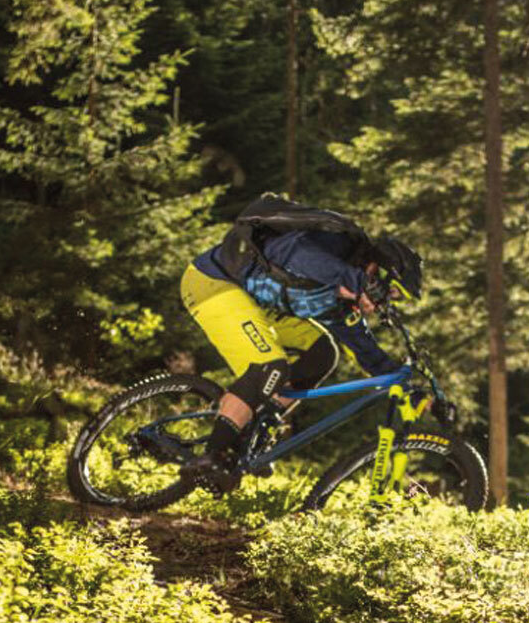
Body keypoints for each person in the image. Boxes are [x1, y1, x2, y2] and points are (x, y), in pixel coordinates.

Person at [178, 203, 424, 492]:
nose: (385, 302)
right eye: (390, 291)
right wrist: (352, 279)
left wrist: (404, 378)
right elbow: (291, 253)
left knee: (323, 353)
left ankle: (255, 429)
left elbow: (365, 350)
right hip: (215, 283)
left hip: (254, 303)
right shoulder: (339, 245)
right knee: (269, 367)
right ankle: (211, 455)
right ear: (377, 270)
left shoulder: (342, 306)